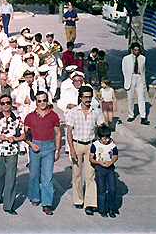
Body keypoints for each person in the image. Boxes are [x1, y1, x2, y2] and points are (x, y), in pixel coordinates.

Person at [66, 86, 105, 215]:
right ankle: (78, 200)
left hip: (90, 145)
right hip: (77, 145)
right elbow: (69, 132)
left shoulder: (96, 111)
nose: (88, 100)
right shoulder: (73, 112)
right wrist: (71, 149)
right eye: (85, 97)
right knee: (76, 174)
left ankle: (90, 203)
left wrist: (107, 140)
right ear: (80, 97)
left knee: (90, 175)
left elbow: (101, 127)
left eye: (90, 97)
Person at [0, 94, 25, 215]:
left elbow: (23, 135)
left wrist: (16, 139)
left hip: (12, 151)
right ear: (0, 105)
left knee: (11, 178)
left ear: (11, 103)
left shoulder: (17, 118)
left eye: (8, 103)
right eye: (3, 103)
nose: (5, 105)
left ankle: (9, 205)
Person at [24, 91, 61, 216]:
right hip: (35, 146)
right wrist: (31, 145)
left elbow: (58, 133)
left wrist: (57, 150)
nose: (42, 103)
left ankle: (46, 204)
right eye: (39, 101)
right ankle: (35, 196)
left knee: (47, 177)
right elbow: (26, 135)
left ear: (47, 100)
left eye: (44, 100)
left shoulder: (54, 116)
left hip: (49, 148)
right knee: (34, 174)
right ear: (36, 101)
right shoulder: (30, 116)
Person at [89, 125, 119, 218]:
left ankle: (112, 208)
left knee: (112, 189)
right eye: (104, 138)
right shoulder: (95, 145)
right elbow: (91, 158)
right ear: (99, 137)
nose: (107, 140)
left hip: (110, 169)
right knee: (101, 190)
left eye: (108, 137)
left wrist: (111, 161)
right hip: (100, 169)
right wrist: (98, 162)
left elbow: (115, 155)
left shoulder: (112, 145)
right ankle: (102, 209)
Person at [122, 42, 149, 125]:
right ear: (131, 50)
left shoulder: (142, 58)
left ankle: (143, 116)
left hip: (139, 78)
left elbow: (143, 71)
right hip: (131, 78)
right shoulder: (126, 58)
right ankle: (131, 115)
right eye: (135, 50)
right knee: (130, 98)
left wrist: (144, 83)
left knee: (141, 97)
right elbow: (124, 70)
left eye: (138, 50)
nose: (137, 52)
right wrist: (127, 80)